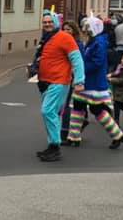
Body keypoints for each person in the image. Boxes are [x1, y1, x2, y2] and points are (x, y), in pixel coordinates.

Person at [66, 17, 123, 148]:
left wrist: (80, 69)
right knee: (78, 108)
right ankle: (73, 137)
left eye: (88, 27)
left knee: (96, 110)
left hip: (93, 83)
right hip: (87, 82)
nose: (85, 30)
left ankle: (117, 135)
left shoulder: (98, 43)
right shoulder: (94, 41)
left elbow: (97, 62)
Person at [34, 11, 85, 161]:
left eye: (50, 22)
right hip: (45, 83)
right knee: (53, 115)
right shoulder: (46, 38)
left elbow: (77, 59)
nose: (47, 24)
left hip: (59, 81)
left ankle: (55, 146)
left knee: (47, 111)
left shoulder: (65, 37)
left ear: (56, 22)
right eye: (45, 22)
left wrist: (79, 81)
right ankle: (52, 146)